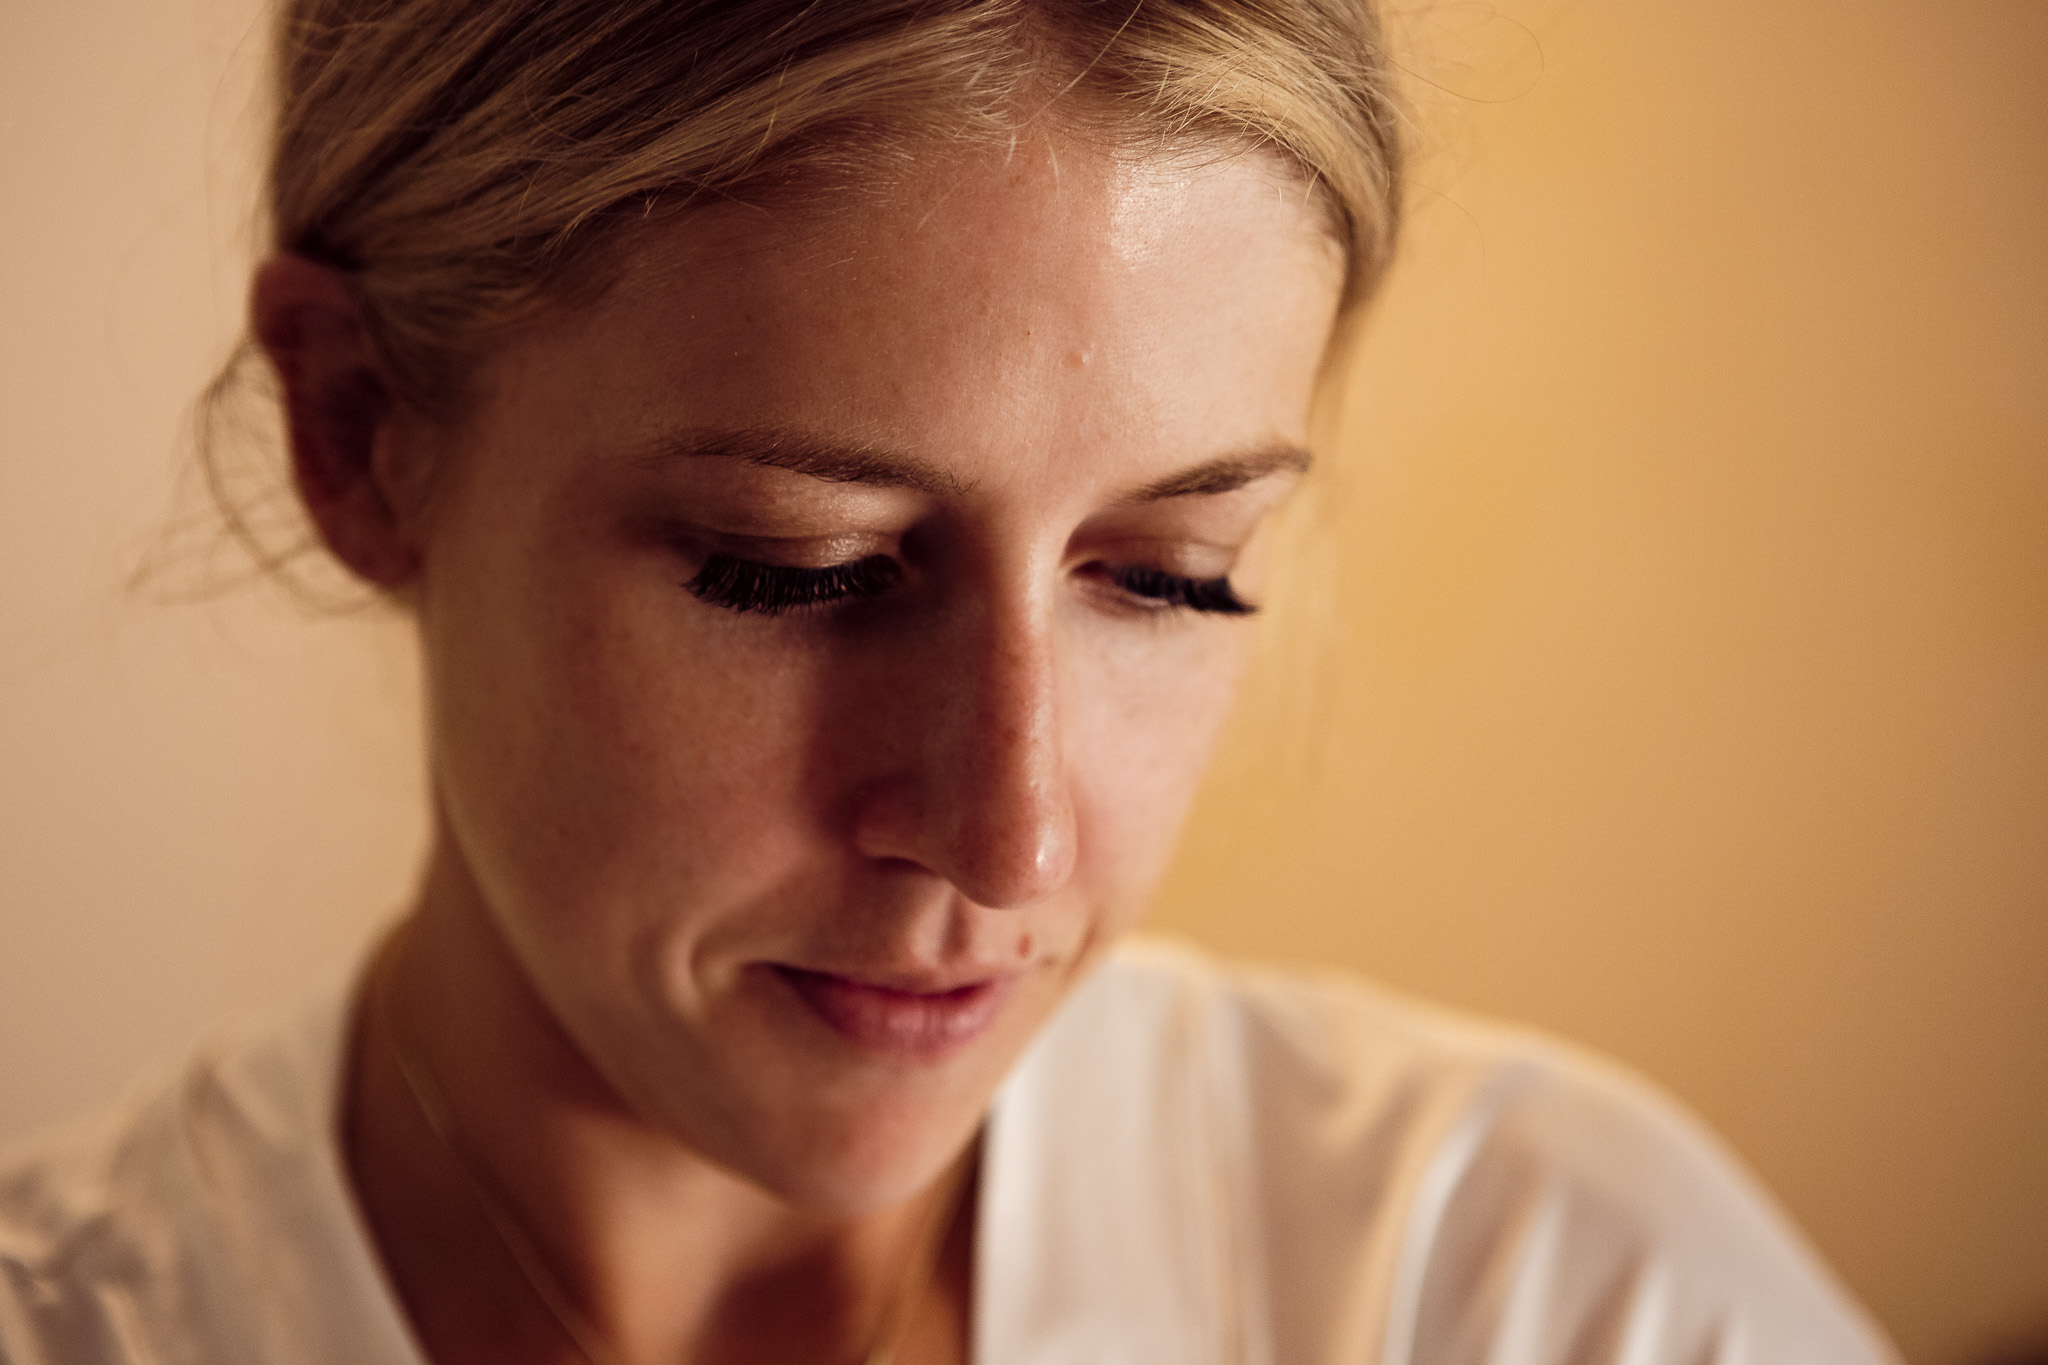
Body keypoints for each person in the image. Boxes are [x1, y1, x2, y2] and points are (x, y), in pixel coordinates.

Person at [0, 2, 1903, 1362]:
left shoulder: (1543, 1286)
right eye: (800, 567)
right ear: (361, 431)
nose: (1014, 837)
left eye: (1168, 576)